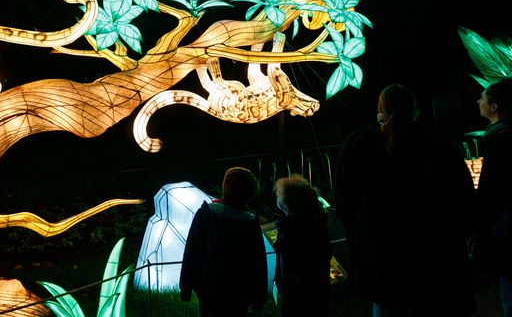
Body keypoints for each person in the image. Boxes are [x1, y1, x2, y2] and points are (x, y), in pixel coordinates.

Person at [334, 83, 476, 317]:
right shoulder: (438, 145)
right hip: (435, 253)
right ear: (415, 109)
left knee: (388, 306)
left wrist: (359, 229)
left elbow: (344, 198)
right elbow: (462, 195)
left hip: (381, 252)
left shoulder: (358, 143)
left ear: (380, 108)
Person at [179, 166, 268, 316]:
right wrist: (259, 298)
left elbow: (192, 252)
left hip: (209, 289)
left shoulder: (207, 213)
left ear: (226, 186)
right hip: (240, 292)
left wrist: (186, 286)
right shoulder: (250, 222)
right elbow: (258, 262)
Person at [472, 77, 512, 316]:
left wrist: (479, 224)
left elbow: (491, 187)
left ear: (494, 106)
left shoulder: (499, 139)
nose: (478, 101)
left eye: (483, 97)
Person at [273, 174, 332, 317]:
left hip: (297, 295)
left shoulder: (291, 230)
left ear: (287, 204)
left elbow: (290, 265)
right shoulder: (317, 224)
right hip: (318, 292)